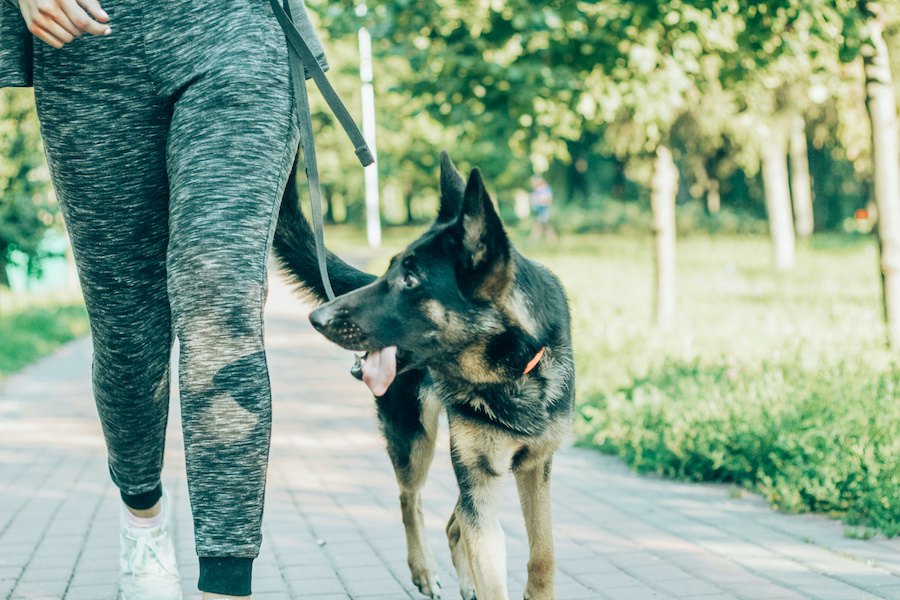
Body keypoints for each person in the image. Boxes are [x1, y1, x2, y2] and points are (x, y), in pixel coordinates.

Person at [0, 0, 328, 597]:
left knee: (217, 293)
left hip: (235, 28)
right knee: (127, 333)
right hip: (88, 43)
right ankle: (143, 514)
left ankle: (226, 577)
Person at [530, 174, 557, 242]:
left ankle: (533, 241)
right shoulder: (537, 190)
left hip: (544, 211)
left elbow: (548, 200)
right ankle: (553, 242)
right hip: (539, 211)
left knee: (541, 227)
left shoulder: (545, 189)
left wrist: (538, 200)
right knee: (545, 227)